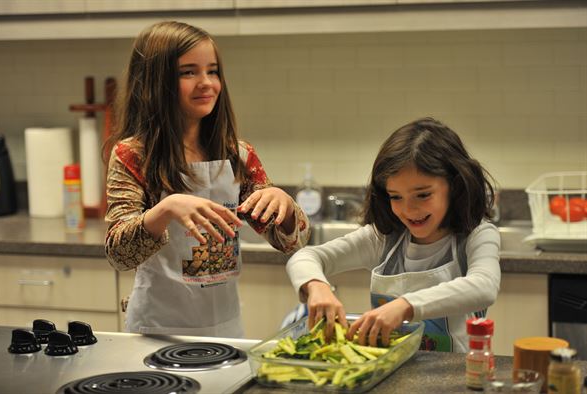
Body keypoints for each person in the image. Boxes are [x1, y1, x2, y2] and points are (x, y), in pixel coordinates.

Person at [104, 21, 310, 337]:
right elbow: (119, 254)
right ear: (155, 81)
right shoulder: (133, 156)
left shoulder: (238, 155)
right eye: (188, 72)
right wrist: (165, 209)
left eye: (212, 71)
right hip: (156, 328)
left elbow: (291, 242)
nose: (207, 83)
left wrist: (284, 207)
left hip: (225, 327)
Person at [286, 117, 500, 353]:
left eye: (422, 195)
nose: (408, 209)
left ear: (455, 185)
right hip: (392, 373)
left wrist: (406, 305)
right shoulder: (383, 239)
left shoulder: (477, 235)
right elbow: (304, 257)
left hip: (456, 375)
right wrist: (317, 286)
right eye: (396, 197)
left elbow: (484, 286)